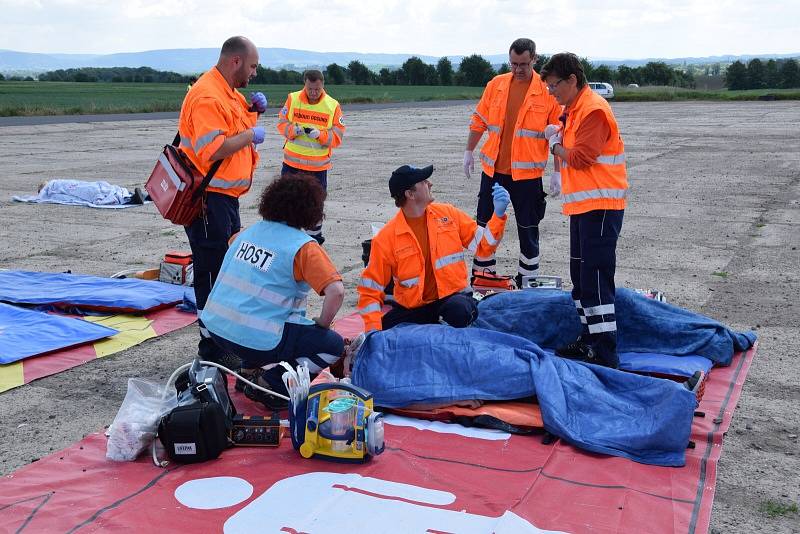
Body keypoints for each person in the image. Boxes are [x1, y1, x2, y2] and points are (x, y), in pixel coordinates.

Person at [200, 172, 345, 409]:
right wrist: (323, 322)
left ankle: (249, 370)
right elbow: (336, 292)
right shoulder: (302, 247)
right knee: (331, 345)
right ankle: (273, 385)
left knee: (259, 312)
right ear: (311, 211)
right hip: (259, 339)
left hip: (217, 330)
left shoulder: (244, 234)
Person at [178, 36, 268, 365]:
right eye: (253, 66)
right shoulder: (207, 95)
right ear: (235, 61)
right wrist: (249, 135)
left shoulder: (226, 92)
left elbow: (233, 128)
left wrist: (253, 113)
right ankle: (211, 347)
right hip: (208, 199)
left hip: (224, 198)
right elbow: (213, 149)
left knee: (223, 270)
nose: (255, 73)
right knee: (213, 273)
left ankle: (221, 339)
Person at [540, 52, 628, 368]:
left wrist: (554, 146)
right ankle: (589, 338)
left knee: (595, 276)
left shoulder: (593, 110)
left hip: (601, 206)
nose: (551, 92)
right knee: (581, 275)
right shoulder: (574, 109)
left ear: (572, 80)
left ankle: (605, 350)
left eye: (553, 86)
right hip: (583, 206)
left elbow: (581, 158)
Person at [356, 164, 511, 332]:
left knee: (459, 312)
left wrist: (499, 215)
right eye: (423, 181)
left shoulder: (448, 215)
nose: (430, 184)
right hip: (414, 308)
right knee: (387, 329)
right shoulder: (387, 238)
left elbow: (484, 246)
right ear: (410, 194)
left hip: (452, 298)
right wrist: (373, 331)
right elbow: (371, 289)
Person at [463, 38, 562, 288]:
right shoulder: (496, 85)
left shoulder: (546, 91)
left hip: (527, 178)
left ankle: (528, 281)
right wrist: (469, 150)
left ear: (534, 60)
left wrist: (557, 171)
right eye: (514, 63)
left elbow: (559, 133)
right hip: (493, 172)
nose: (518, 69)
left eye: (524, 64)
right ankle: (484, 281)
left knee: (528, 230)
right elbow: (480, 120)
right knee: (485, 228)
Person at [276, 70, 345, 245]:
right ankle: (286, 239)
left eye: (317, 89)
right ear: (304, 84)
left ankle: (313, 242)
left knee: (314, 206)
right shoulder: (293, 99)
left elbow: (337, 136)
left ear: (322, 85)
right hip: (292, 164)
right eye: (310, 89)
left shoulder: (332, 105)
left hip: (317, 167)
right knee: (286, 202)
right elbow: (281, 123)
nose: (313, 93)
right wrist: (293, 131)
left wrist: (320, 135)